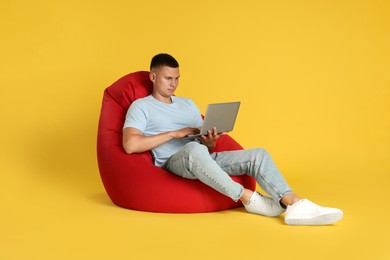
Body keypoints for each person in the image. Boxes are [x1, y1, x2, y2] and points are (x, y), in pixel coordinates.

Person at [122, 53, 343, 225]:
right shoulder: (141, 106)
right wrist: (173, 133)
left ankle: (294, 203)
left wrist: (210, 140)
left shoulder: (187, 103)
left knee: (258, 155)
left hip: (201, 157)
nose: (173, 84)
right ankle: (248, 198)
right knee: (194, 151)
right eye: (168, 78)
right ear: (153, 77)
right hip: (173, 162)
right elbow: (130, 145)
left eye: (177, 78)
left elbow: (203, 146)